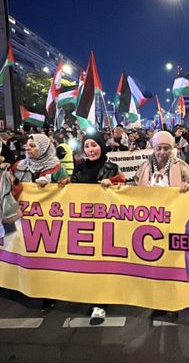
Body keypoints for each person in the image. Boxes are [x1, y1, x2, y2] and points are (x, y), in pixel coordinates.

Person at [70, 131, 125, 324]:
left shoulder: (112, 168)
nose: (90, 150)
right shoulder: (79, 169)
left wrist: (114, 184)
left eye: (94, 145)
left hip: (105, 224)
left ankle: (100, 303)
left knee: (102, 264)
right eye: (86, 146)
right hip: (84, 223)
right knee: (87, 263)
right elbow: (70, 191)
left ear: (101, 146)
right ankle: (91, 296)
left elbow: (124, 192)